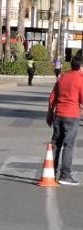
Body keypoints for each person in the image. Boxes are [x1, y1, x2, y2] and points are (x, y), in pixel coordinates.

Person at [46, 56, 83, 185]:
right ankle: (65, 175)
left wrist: (50, 116)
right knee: (69, 145)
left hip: (59, 115)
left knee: (56, 144)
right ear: (81, 67)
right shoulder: (80, 79)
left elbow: (52, 98)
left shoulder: (62, 77)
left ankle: (51, 172)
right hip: (71, 116)